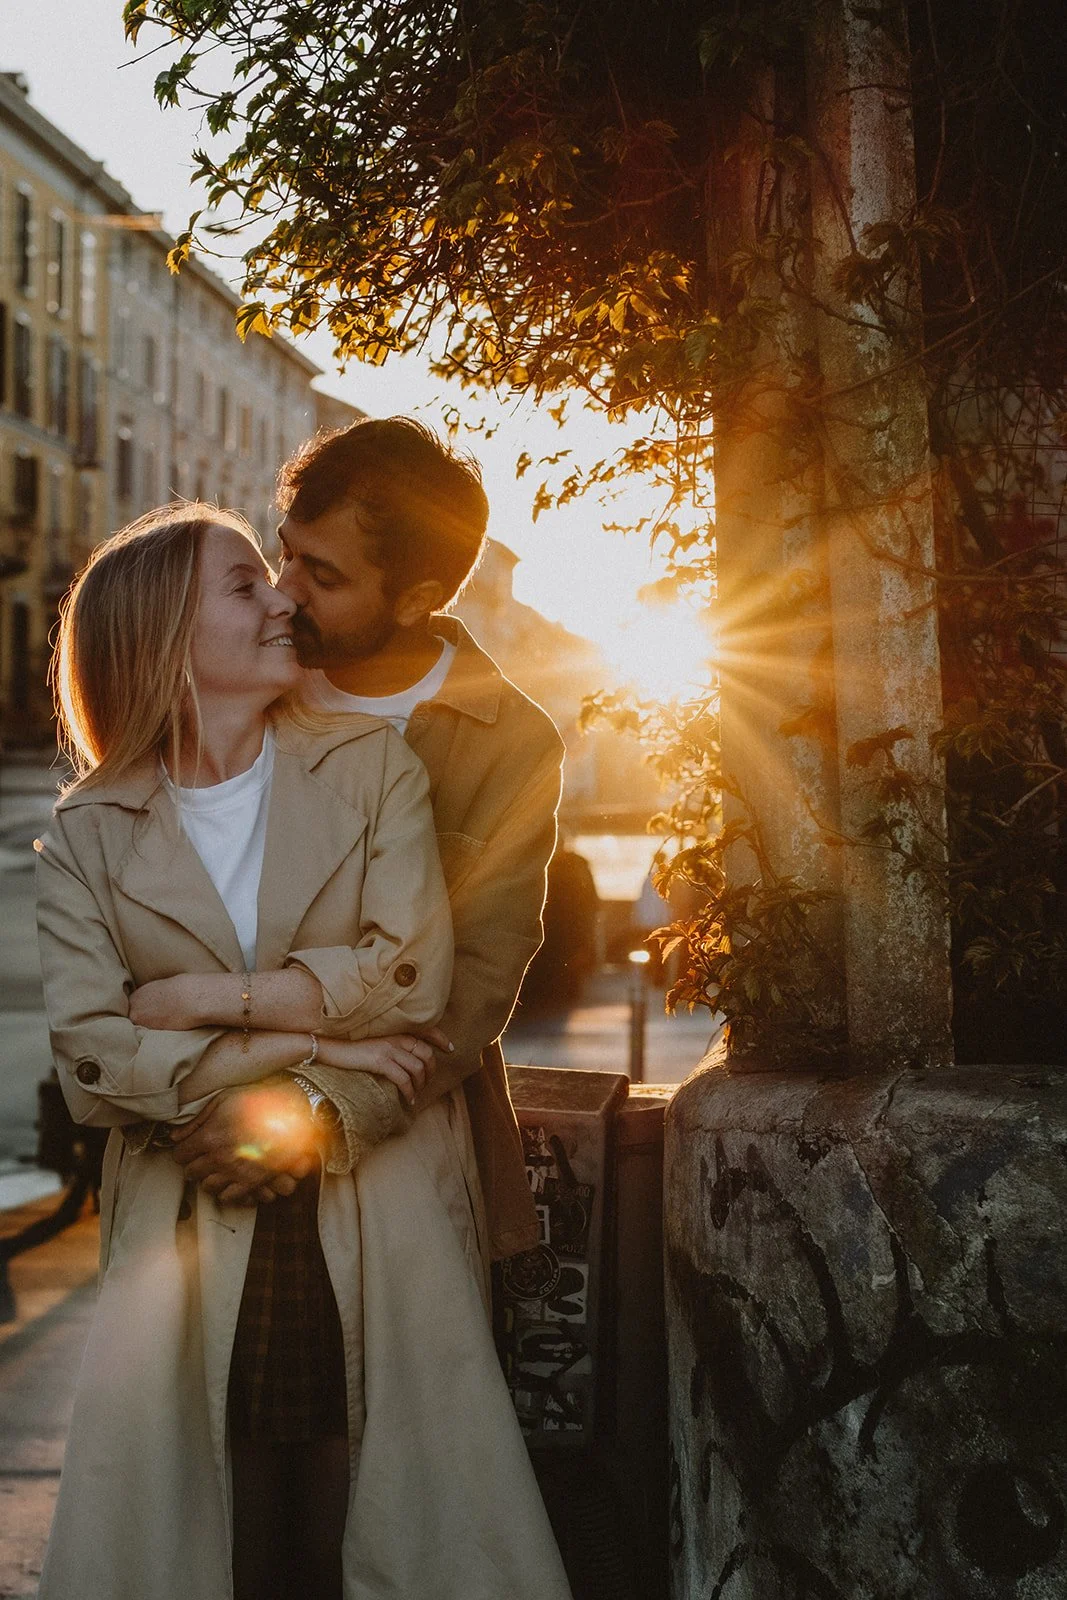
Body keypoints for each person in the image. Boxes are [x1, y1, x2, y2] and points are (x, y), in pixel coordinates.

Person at [34, 505, 572, 1600]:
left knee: (382, 1516)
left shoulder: (371, 764)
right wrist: (296, 1036)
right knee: (211, 1532)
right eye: (244, 584)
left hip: (378, 1197)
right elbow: (93, 1060)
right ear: (161, 633)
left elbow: (413, 979)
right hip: (189, 1196)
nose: (281, 596)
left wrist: (197, 1004)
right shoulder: (87, 829)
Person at [168, 418, 567, 1272]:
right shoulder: (239, 683)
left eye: (324, 574)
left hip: (398, 1144)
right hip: (201, 1132)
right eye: (285, 556)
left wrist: (305, 1109)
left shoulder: (505, 741)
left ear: (417, 597)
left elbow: (477, 977)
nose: (284, 592)